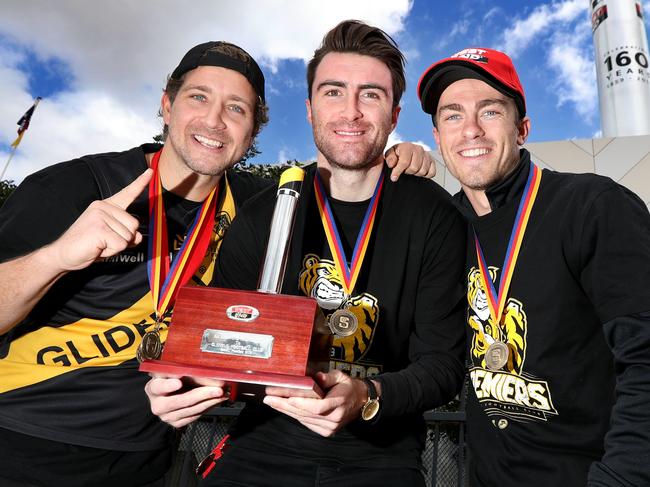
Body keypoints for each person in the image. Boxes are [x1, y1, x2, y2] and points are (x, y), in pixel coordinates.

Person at [0, 40, 433, 487]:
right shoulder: (77, 186)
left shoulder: (256, 206)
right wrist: (56, 257)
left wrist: (400, 159)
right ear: (166, 106)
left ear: (252, 132)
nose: (214, 121)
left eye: (237, 109)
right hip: (22, 439)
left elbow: (341, 167)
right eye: (199, 97)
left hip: (148, 457)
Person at [146, 20, 467, 487]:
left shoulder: (433, 212)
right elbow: (220, 340)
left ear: (394, 116)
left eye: (370, 95)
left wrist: (369, 394)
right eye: (333, 92)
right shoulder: (264, 210)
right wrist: (181, 384)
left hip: (382, 453)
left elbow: (442, 365)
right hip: (262, 443)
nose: (351, 112)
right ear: (311, 109)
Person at [417, 47, 650, 486]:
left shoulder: (593, 207)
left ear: (522, 128)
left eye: (489, 110)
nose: (470, 129)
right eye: (452, 115)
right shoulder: (443, 229)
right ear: (437, 137)